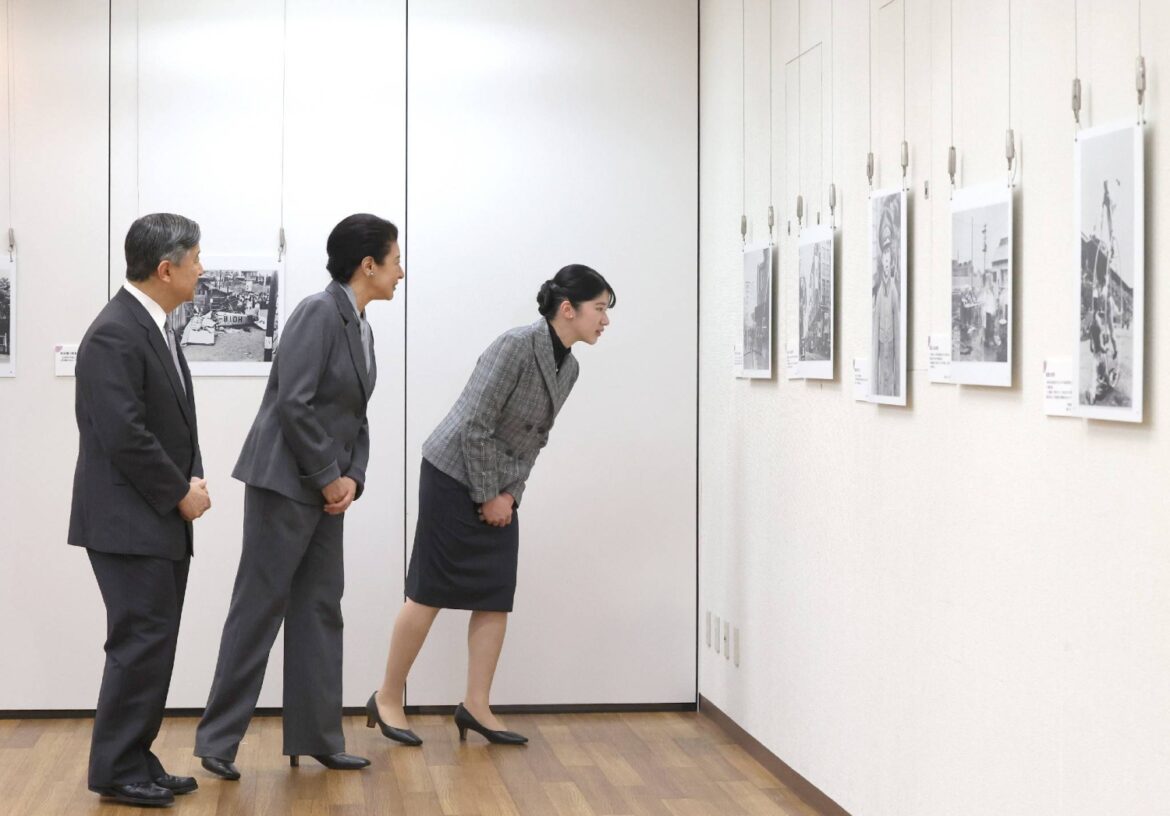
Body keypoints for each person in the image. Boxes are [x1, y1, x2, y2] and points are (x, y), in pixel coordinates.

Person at [366, 264, 615, 747]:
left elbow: (533, 442)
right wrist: (488, 496)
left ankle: (476, 705)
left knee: (495, 594)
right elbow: (476, 425)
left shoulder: (572, 366)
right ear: (569, 309)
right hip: (452, 475)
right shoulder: (516, 345)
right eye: (599, 310)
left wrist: (511, 496)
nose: (605, 321)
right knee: (429, 590)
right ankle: (387, 696)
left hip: (500, 488)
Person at [195, 214, 403, 779]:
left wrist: (353, 477)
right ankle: (217, 741)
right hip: (286, 484)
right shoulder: (318, 311)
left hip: (326, 488)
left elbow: (357, 416)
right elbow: (295, 402)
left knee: (319, 609)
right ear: (368, 265)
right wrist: (329, 475)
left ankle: (316, 737)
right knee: (258, 609)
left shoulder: (361, 325)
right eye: (395, 260)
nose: (400, 272)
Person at [70, 213, 211, 808]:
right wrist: (179, 492)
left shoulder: (154, 324)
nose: (202, 269)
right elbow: (125, 434)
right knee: (139, 643)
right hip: (129, 523)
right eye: (197, 259)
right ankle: (116, 769)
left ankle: (136, 758)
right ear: (166, 268)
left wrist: (193, 472)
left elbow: (173, 417)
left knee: (154, 644)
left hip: (154, 520)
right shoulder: (115, 332)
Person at [871, 199, 900, 396]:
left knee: (890, 380)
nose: (887, 265)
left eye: (890, 260)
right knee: (882, 378)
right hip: (882, 347)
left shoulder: (895, 292)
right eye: (885, 258)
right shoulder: (879, 292)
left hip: (892, 348)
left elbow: (898, 330)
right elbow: (874, 339)